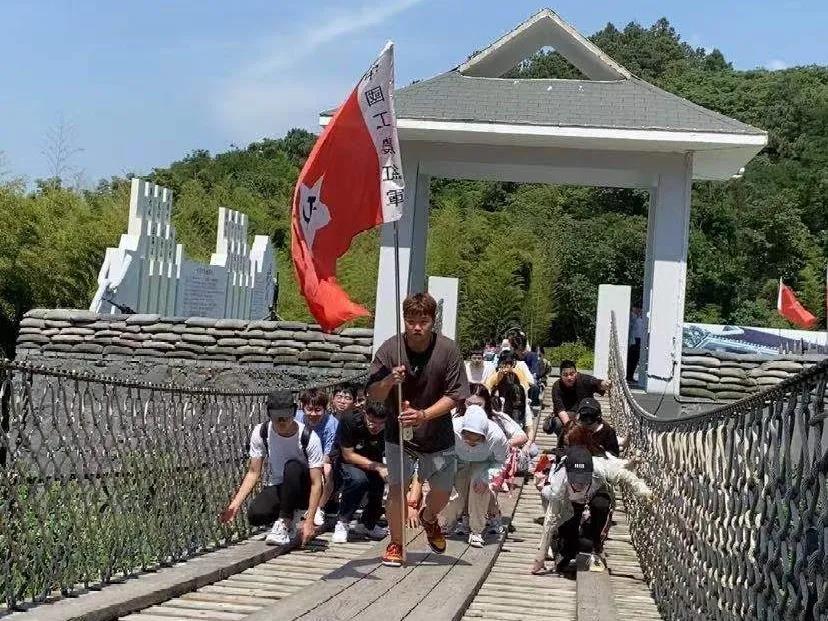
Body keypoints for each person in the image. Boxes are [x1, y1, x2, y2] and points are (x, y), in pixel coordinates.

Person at [367, 292, 469, 567]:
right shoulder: (390, 349)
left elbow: (456, 395)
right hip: (398, 434)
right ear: (404, 320)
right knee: (396, 489)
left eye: (423, 321)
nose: (416, 327)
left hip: (437, 434)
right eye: (411, 321)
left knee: (442, 492)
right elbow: (373, 393)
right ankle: (396, 542)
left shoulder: (448, 350)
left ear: (433, 321)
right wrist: (388, 381)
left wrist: (423, 415)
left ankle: (428, 517)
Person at [219, 390, 324, 546]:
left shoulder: (309, 437)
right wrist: (235, 505)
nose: (282, 422)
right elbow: (253, 472)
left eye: (286, 417)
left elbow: (316, 483)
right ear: (269, 414)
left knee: (292, 466)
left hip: (303, 488)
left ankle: (285, 521)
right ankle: (291, 514)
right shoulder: (261, 432)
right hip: (280, 486)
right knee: (256, 515)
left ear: (294, 412)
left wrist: (309, 522)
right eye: (277, 417)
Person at [531, 446, 651, 575]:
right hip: (570, 502)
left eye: (583, 480)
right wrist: (541, 555)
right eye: (576, 480)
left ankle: (596, 545)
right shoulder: (559, 483)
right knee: (567, 545)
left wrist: (643, 491)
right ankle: (567, 549)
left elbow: (625, 475)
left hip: (596, 492)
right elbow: (551, 519)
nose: (579, 485)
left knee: (601, 505)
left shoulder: (600, 468)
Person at [441, 404, 509, 548]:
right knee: (455, 494)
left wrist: (486, 478)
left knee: (478, 490)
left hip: (484, 463)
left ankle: (477, 530)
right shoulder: (451, 428)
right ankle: (449, 522)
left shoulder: (497, 436)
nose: (471, 442)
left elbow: (502, 461)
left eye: (476, 439)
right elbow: (442, 452)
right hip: (458, 460)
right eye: (467, 438)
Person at [331, 401, 389, 543]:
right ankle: (343, 522)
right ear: (364, 414)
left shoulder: (391, 425)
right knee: (358, 480)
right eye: (372, 421)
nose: (376, 427)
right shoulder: (349, 420)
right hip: (347, 461)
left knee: (379, 483)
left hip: (374, 460)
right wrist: (378, 466)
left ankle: (368, 524)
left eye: (381, 423)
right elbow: (348, 455)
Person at [295, 389, 339, 527]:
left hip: (322, 458)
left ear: (325, 409)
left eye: (318, 410)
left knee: (327, 471)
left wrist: (317, 467)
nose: (313, 414)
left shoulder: (332, 424)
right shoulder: (296, 419)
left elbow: (328, 454)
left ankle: (318, 507)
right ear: (303, 408)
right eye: (309, 409)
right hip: (300, 456)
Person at [543, 360, 611, 442]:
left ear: (576, 373)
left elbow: (597, 383)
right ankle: (563, 444)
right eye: (565, 375)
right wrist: (571, 428)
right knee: (558, 423)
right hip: (568, 415)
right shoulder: (557, 386)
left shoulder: (583, 379)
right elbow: (560, 410)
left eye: (572, 374)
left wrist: (605, 384)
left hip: (586, 414)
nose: (569, 378)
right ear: (560, 375)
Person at [627, 304, 644, 384]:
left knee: (635, 360)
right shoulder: (632, 316)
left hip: (639, 340)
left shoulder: (640, 318)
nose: (639, 310)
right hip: (633, 340)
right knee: (631, 359)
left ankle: (631, 376)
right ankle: (628, 376)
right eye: (637, 308)